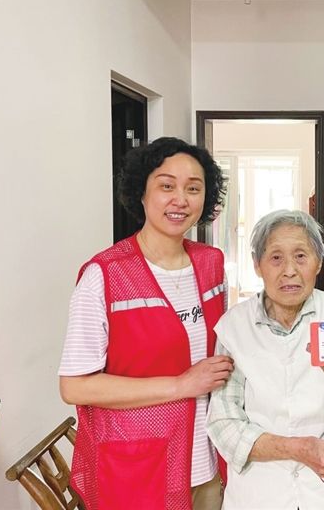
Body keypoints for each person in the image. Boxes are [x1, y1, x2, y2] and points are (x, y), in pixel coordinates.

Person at [59, 137, 233, 510]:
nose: (180, 199)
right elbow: (74, 387)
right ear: (142, 192)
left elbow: (223, 346)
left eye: (193, 189)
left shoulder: (211, 263)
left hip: (206, 462)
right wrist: (182, 384)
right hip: (139, 469)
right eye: (166, 186)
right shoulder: (104, 275)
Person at [207, 210, 324, 510]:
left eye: (300, 256)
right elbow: (225, 426)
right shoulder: (234, 327)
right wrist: (299, 449)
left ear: (318, 262)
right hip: (259, 496)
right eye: (276, 258)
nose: (289, 271)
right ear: (257, 265)